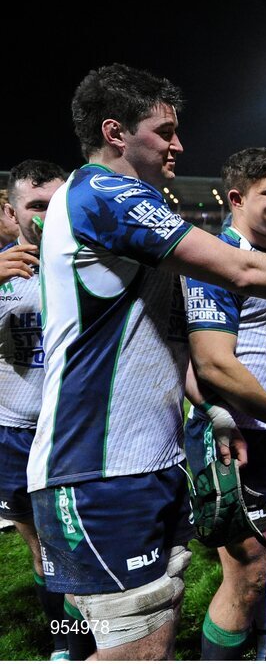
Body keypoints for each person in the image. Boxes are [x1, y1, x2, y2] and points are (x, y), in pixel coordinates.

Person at [29, 63, 266, 661]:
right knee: (138, 647)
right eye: (165, 131)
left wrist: (213, 413)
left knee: (154, 633)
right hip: (99, 464)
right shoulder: (104, 194)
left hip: (145, 458)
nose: (178, 145)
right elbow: (240, 269)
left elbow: (167, 344)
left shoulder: (123, 207)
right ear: (116, 133)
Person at [184, 147, 266, 660]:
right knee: (250, 575)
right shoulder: (212, 260)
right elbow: (212, 365)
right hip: (241, 439)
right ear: (238, 199)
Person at [1, 161, 75, 660]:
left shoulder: (85, 263)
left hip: (73, 432)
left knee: (77, 546)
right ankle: (64, 639)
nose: (48, 216)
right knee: (41, 548)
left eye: (56, 204)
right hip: (13, 435)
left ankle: (100, 633)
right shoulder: (2, 272)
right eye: (36, 205)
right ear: (11, 211)